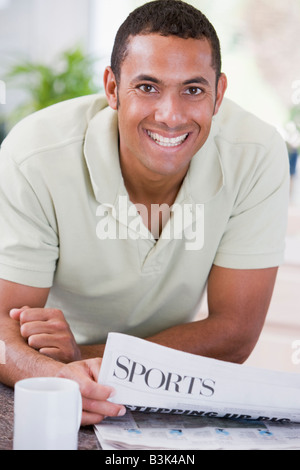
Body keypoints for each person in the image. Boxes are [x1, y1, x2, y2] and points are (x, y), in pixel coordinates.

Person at [0, 0, 289, 425]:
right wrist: (57, 375)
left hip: (164, 386)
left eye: (193, 89)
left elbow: (233, 334)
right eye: (147, 87)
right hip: (54, 382)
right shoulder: (35, 155)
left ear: (219, 93)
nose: (170, 116)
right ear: (113, 89)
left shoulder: (256, 154)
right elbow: (4, 328)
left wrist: (87, 359)